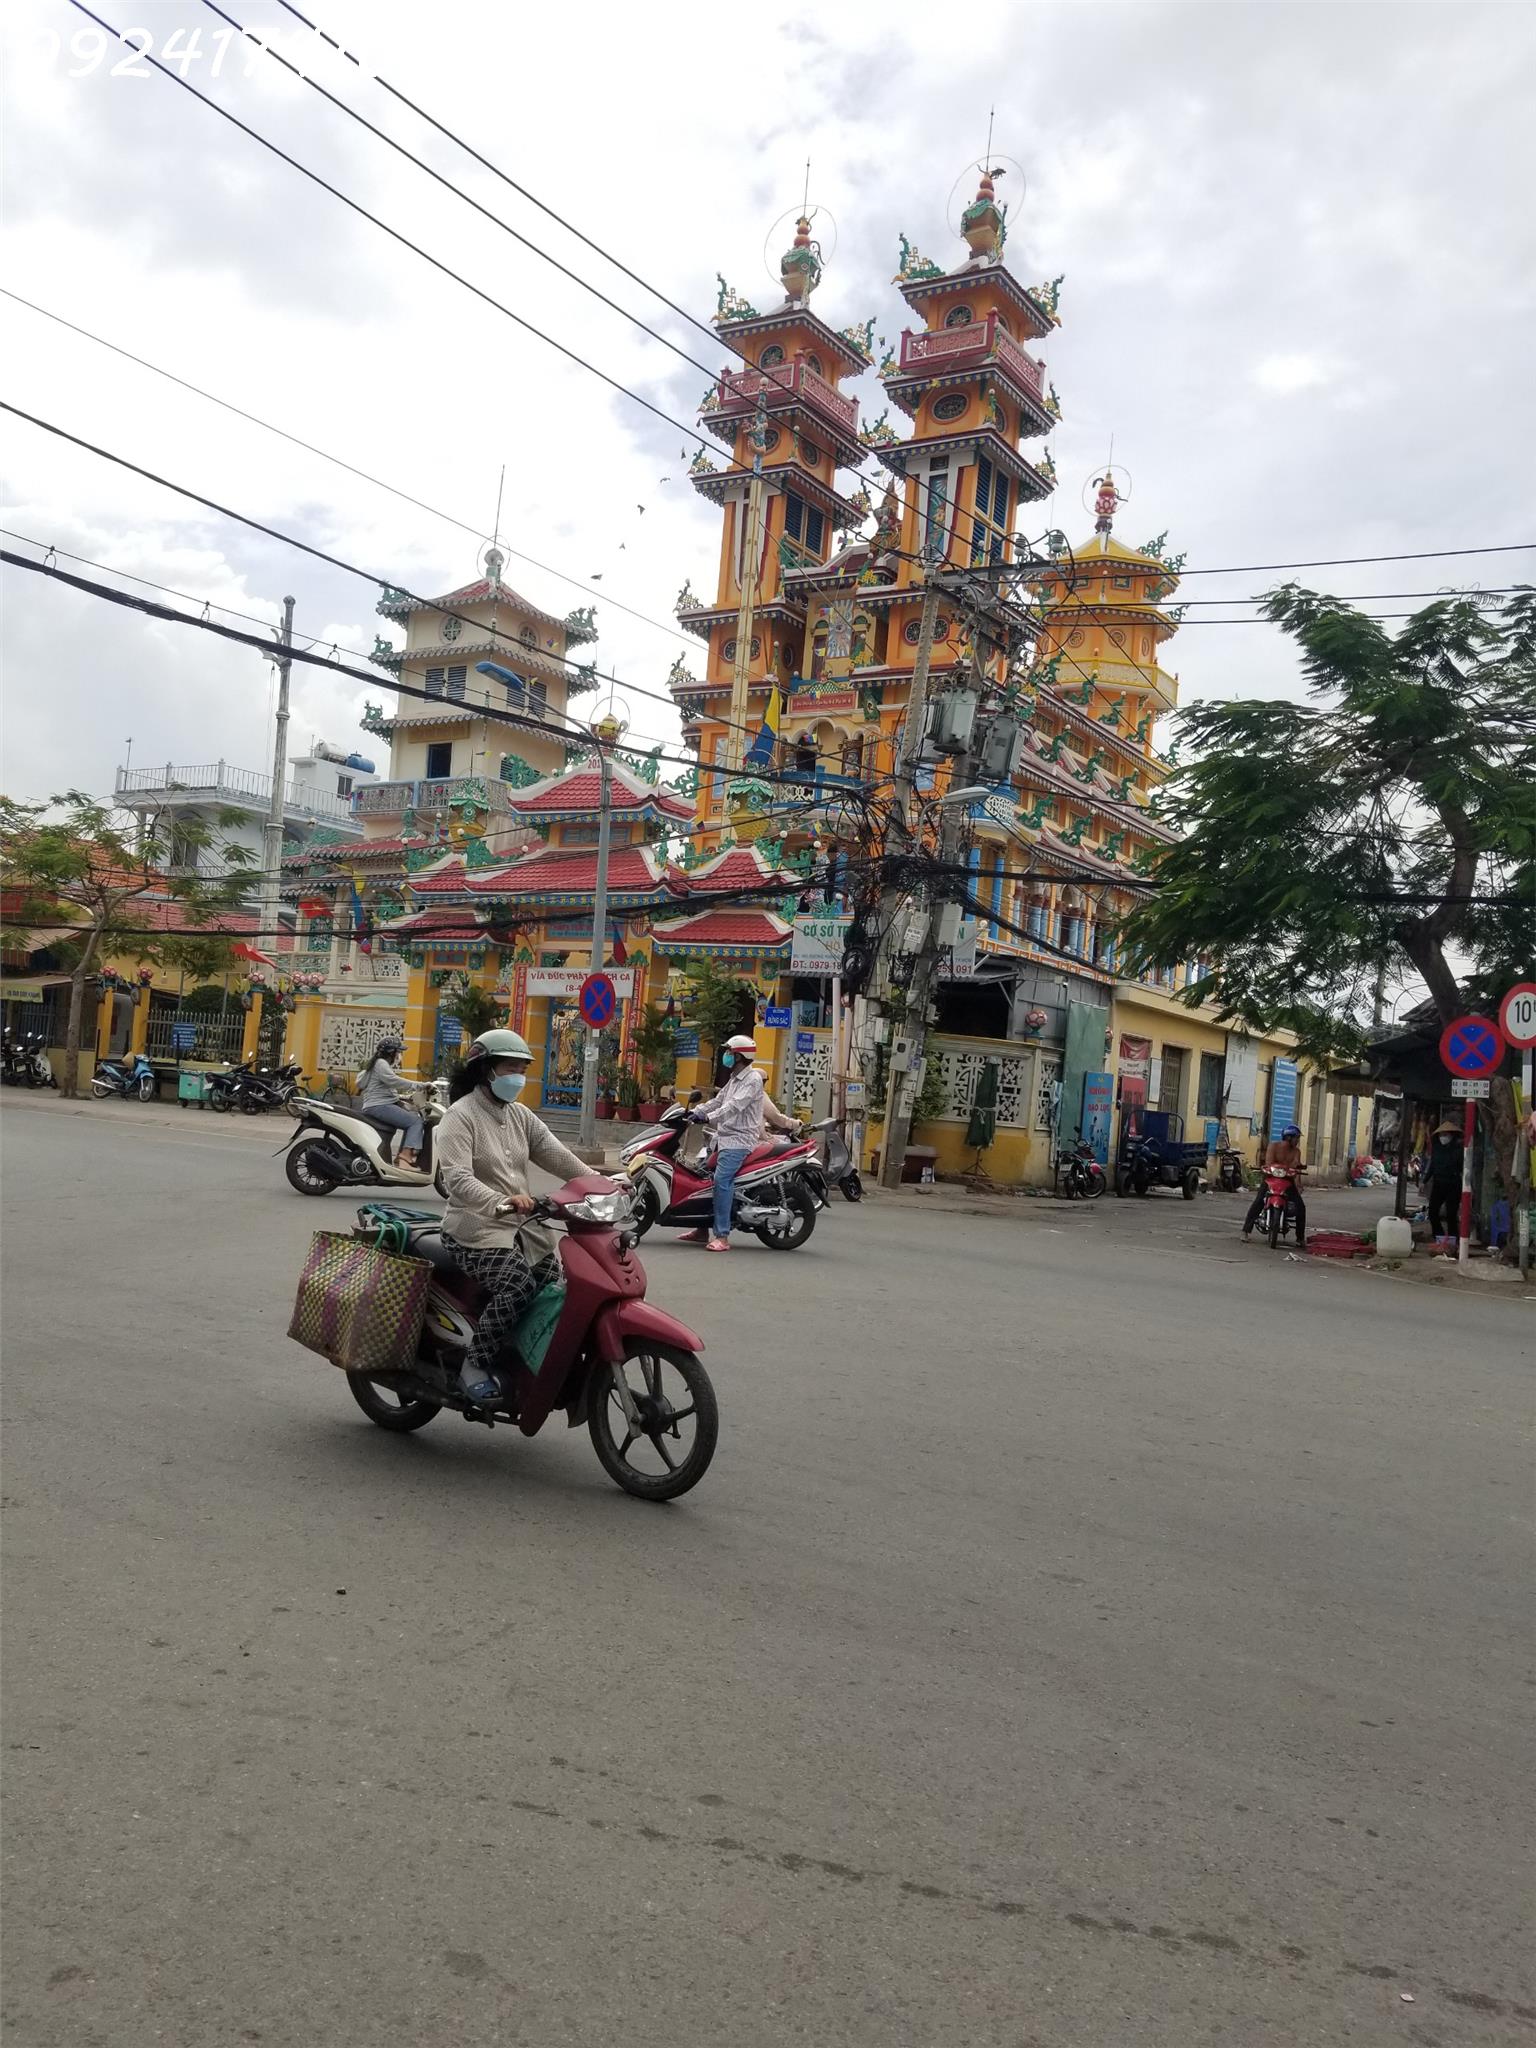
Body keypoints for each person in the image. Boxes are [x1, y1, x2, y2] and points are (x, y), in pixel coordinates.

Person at [435, 1028, 589, 1405]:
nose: (517, 1076)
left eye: (522, 1068)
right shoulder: (460, 1116)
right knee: (518, 1285)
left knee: (556, 1287)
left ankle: (522, 1356)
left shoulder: (521, 1116)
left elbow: (557, 1155)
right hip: (475, 1229)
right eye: (510, 1068)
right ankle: (475, 1363)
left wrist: (601, 1182)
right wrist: (501, 1201)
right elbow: (456, 1178)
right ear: (486, 1070)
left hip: (523, 1229)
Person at [681, 1033, 799, 1252]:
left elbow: (734, 1106)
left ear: (739, 1056)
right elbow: (717, 1101)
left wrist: (708, 1118)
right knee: (700, 1179)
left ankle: (723, 1236)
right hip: (723, 1139)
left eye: (729, 1052)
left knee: (721, 1180)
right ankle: (701, 1230)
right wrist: (690, 1112)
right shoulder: (734, 1079)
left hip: (739, 1141)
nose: (726, 1055)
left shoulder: (752, 1080)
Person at [354, 1039, 423, 1167]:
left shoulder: (378, 1064)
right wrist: (419, 1086)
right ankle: (406, 1156)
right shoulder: (381, 1064)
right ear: (391, 1053)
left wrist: (404, 1098)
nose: (399, 1056)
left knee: (411, 1118)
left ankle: (400, 1159)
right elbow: (392, 1081)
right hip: (379, 1106)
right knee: (415, 1122)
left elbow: (386, 1088)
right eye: (398, 1052)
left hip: (376, 1105)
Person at [1242, 1123, 1307, 1246]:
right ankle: (1246, 1230)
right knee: (1259, 1201)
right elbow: (1269, 1162)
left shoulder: (1296, 1152)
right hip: (1271, 1179)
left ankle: (1300, 1237)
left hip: (1287, 1181)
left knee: (1300, 1207)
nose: (1297, 1141)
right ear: (1289, 1137)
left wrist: (1298, 1184)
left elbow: (1297, 1169)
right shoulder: (1273, 1146)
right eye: (1296, 1138)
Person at [1423, 1119, 1465, 1240]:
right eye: (1441, 1135)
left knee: (1451, 1214)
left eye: (1446, 1135)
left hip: (1453, 1184)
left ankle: (1453, 1239)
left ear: (1452, 1136)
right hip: (1438, 1183)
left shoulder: (1458, 1150)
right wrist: (1425, 1181)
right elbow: (1432, 1165)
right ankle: (1439, 1236)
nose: (1443, 1137)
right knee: (1432, 1212)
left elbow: (1462, 1167)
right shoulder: (1437, 1148)